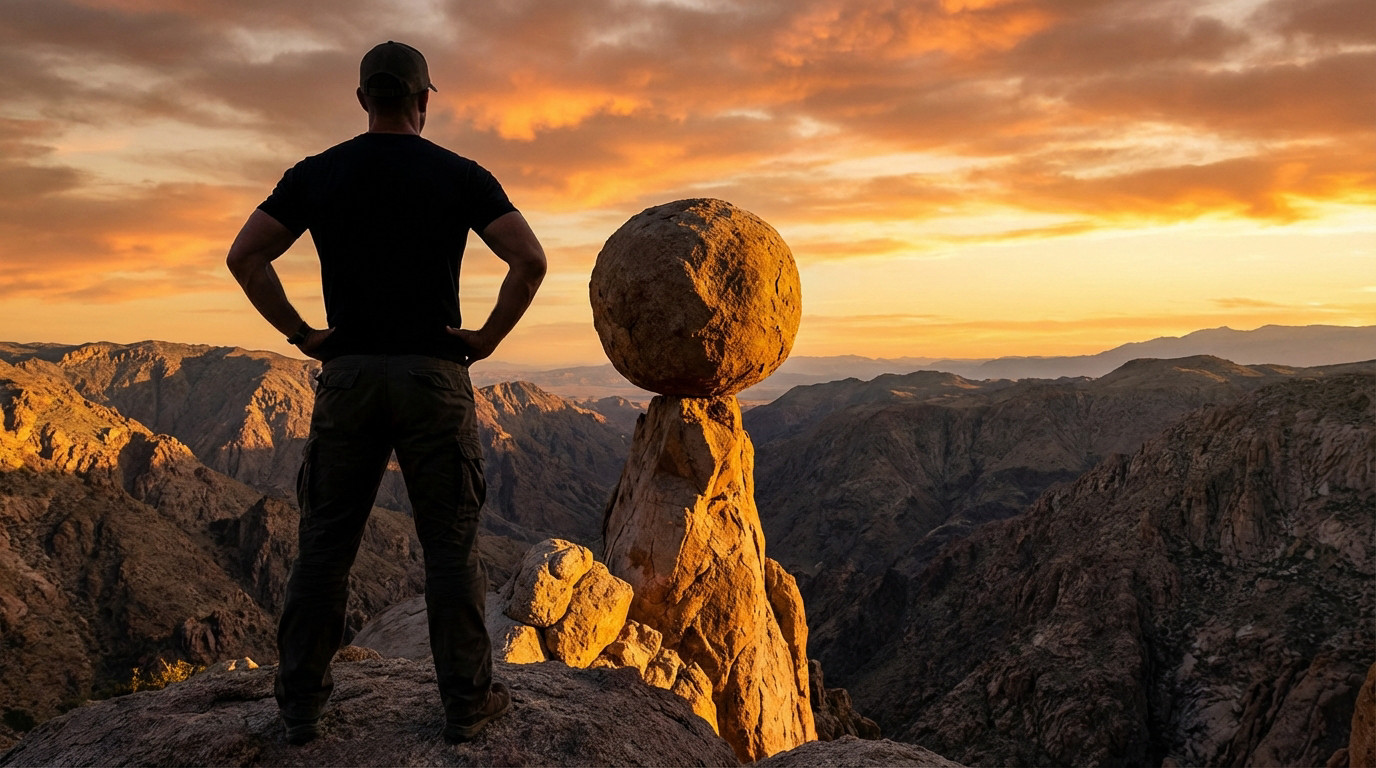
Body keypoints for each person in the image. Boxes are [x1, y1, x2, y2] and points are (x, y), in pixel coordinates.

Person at [226, 40, 546, 746]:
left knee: (324, 548)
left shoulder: (316, 175)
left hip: (348, 375)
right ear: (425, 100)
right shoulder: (460, 175)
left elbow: (244, 255)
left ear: (364, 98)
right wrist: (487, 336)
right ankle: (466, 703)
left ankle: (301, 705)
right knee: (450, 547)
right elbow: (528, 259)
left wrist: (303, 333)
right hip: (434, 375)